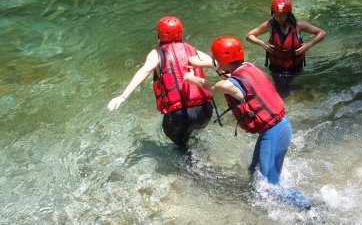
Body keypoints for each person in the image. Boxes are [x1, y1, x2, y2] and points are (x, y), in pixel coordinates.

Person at [184, 36, 311, 209]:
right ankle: (255, 209)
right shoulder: (248, 66)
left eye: (216, 60)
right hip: (277, 127)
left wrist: (188, 77)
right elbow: (220, 65)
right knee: (254, 170)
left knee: (271, 187)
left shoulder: (229, 84)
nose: (215, 63)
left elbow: (210, 86)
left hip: (274, 131)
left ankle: (310, 209)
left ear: (222, 61)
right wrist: (197, 63)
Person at [107, 16, 213, 149]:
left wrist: (123, 96)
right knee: (196, 139)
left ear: (159, 35)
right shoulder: (192, 50)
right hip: (205, 111)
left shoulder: (157, 53)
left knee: (182, 149)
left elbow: (144, 71)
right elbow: (216, 64)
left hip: (178, 116)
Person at [246, 0, 327, 95]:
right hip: (276, 69)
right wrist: (262, 43)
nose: (279, 18)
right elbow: (249, 35)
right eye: (276, 15)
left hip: (296, 68)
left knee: (299, 90)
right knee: (283, 91)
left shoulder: (298, 25)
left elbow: (322, 33)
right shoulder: (269, 25)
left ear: (288, 14)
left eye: (282, 15)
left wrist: (309, 45)